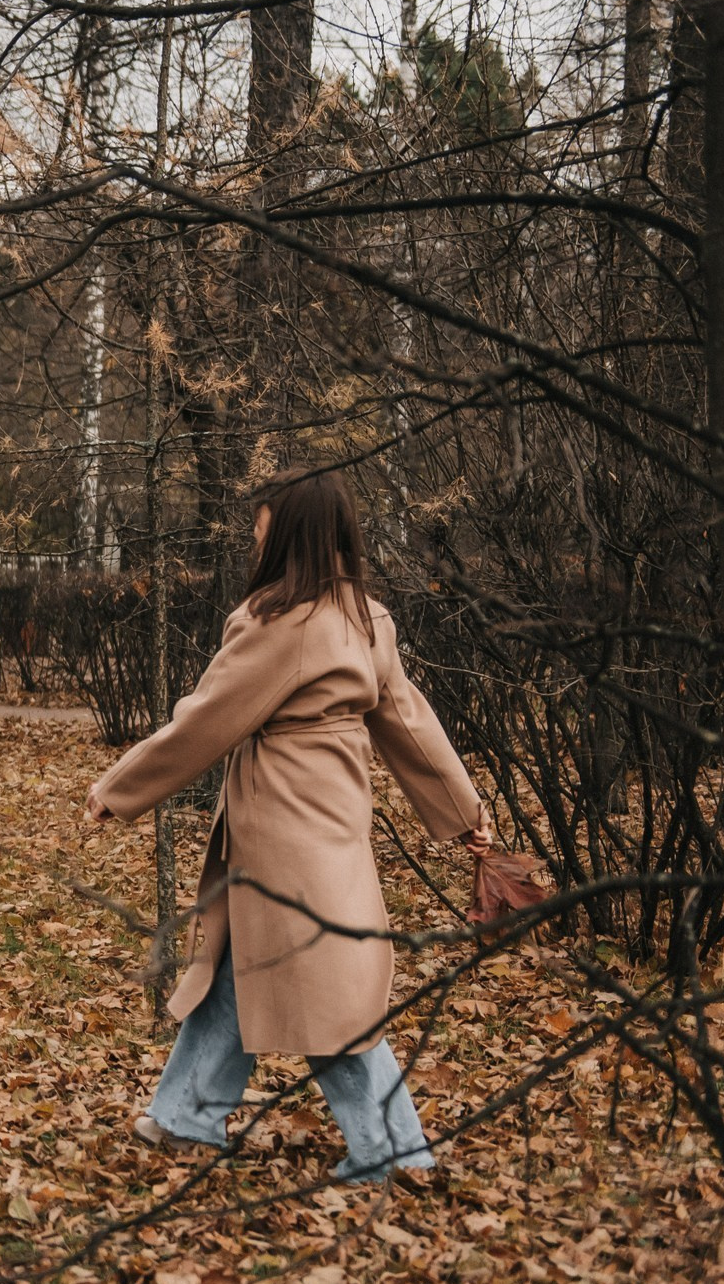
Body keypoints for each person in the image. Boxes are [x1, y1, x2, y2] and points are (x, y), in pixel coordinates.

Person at [83, 469, 493, 1182]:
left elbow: (205, 722)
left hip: (282, 830)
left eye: (262, 521)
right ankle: (185, 1117)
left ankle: (393, 1153)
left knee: (328, 997)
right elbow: (409, 723)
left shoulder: (279, 622)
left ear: (290, 530)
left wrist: (119, 789)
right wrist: (464, 813)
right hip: (330, 825)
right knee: (240, 968)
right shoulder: (367, 618)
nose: (254, 534)